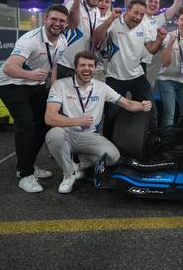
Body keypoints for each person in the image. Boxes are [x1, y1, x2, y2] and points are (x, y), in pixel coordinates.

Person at [45, 51, 152, 194]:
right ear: (75, 67)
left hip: (90, 136)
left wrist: (142, 105)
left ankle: (80, 166)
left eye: (90, 65)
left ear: (95, 68)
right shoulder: (60, 85)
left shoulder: (101, 87)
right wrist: (77, 121)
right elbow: (50, 118)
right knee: (54, 134)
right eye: (82, 65)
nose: (86, 69)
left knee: (113, 157)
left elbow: (126, 103)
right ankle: (68, 175)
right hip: (67, 133)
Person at [0, 4, 69, 193]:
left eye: (61, 20)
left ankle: (29, 164)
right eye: (53, 19)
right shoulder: (30, 40)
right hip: (11, 84)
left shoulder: (63, 40)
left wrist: (53, 87)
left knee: (44, 123)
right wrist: (31, 75)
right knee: (26, 125)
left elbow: (53, 66)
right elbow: (9, 68)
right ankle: (24, 174)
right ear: (45, 19)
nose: (57, 23)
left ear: (66, 23)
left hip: (34, 85)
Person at [91, 0, 167, 140]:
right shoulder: (114, 22)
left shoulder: (143, 25)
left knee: (150, 109)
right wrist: (110, 18)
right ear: (127, 11)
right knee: (112, 113)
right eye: (136, 13)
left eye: (142, 15)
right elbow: (96, 38)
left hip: (137, 75)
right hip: (115, 77)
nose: (138, 17)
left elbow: (151, 49)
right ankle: (109, 145)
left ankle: (151, 142)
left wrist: (159, 39)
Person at [123, 0, 183, 73]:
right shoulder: (135, 13)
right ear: (144, 3)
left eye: (156, 2)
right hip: (126, 59)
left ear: (159, 6)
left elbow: (177, 5)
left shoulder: (159, 19)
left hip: (142, 63)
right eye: (150, 1)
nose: (153, 4)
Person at [58, 0, 104, 79]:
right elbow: (73, 23)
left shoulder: (97, 12)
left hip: (81, 66)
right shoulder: (72, 2)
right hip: (64, 63)